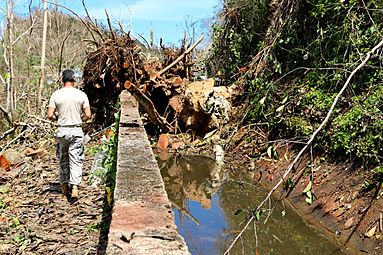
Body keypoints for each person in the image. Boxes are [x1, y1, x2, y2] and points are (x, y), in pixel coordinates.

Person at [48, 69, 91, 199]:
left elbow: (50, 115)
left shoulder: (56, 95)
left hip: (62, 130)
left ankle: (64, 185)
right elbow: (88, 115)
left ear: (62, 80)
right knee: (76, 159)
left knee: (63, 158)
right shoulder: (81, 95)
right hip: (76, 130)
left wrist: (58, 118)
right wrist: (80, 119)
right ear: (74, 80)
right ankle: (75, 187)